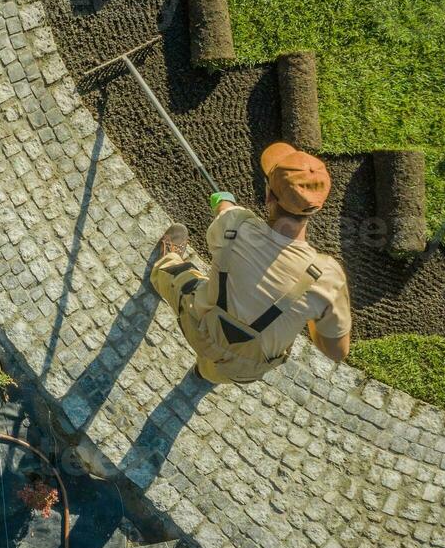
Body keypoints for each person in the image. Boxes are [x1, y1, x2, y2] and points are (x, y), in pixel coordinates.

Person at [150, 142, 351, 385]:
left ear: (268, 195)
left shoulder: (235, 224)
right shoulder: (327, 278)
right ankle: (203, 374)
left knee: (172, 272)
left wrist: (224, 202)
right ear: (316, 208)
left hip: (198, 325)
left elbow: (224, 217)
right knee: (219, 371)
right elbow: (337, 352)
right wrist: (310, 312)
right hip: (245, 366)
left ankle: (165, 262)